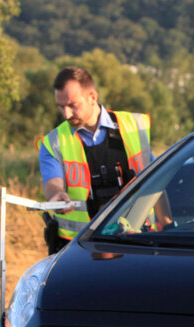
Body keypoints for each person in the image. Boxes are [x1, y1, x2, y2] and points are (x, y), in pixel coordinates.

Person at [39, 66, 159, 254]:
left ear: (92, 97)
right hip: (79, 250)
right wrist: (57, 195)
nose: (66, 114)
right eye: (61, 106)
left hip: (138, 243)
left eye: (72, 105)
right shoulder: (53, 142)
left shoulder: (133, 127)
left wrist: (167, 224)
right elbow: (52, 184)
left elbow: (158, 178)